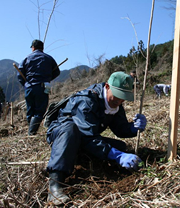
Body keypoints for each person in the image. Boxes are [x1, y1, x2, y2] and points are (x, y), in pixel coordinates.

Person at [46, 71, 147, 205]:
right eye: (116, 95)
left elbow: (120, 129)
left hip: (86, 137)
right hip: (63, 135)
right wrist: (117, 156)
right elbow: (88, 136)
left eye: (123, 97)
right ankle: (55, 184)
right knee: (70, 129)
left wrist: (134, 127)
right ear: (107, 87)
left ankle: (81, 158)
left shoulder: (116, 105)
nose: (119, 100)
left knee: (120, 147)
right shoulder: (86, 101)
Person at [17, 39, 60, 135]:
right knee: (39, 111)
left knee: (30, 110)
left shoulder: (26, 58)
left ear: (33, 48)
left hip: (29, 87)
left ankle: (31, 131)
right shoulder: (48, 58)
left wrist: (25, 83)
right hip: (42, 87)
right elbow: (57, 72)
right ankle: (31, 133)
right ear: (42, 48)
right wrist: (48, 78)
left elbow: (19, 74)